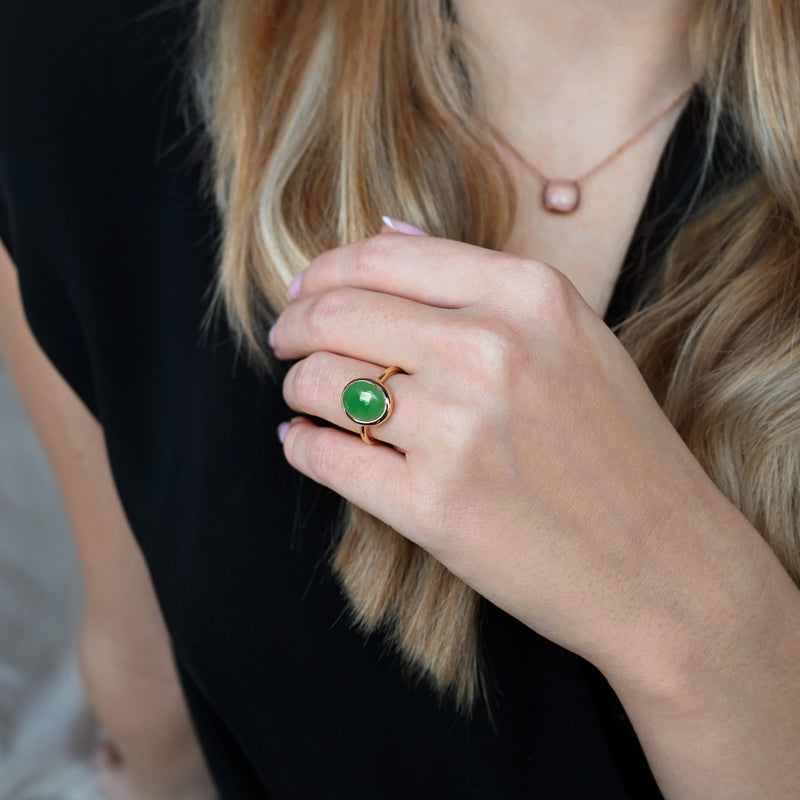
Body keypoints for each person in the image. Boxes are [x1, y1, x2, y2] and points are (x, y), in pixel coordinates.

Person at [1, 0, 799, 798]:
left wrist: (701, 619)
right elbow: (145, 686)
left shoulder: (83, 60)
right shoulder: (80, 65)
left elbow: (145, 678)